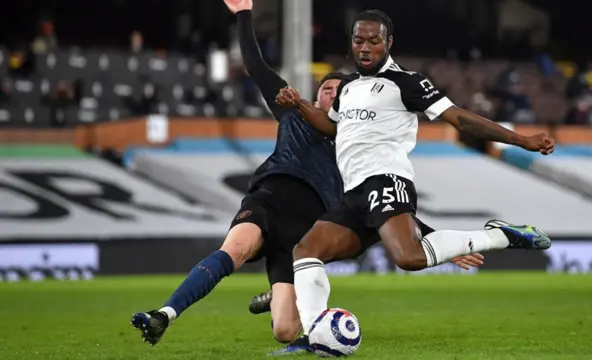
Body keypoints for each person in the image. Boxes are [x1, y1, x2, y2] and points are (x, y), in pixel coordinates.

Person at [130, 0, 485, 353]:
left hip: (304, 237)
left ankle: (282, 298)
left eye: (338, 90)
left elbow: (386, 203)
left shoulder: (359, 147)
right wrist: (242, 14)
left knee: (285, 331)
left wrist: (437, 243)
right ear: (317, 97)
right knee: (234, 249)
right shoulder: (293, 113)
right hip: (269, 203)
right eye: (325, 89)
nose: (331, 93)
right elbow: (255, 66)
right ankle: (164, 314)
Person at [273, 9, 555, 349]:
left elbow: (460, 119)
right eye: (359, 41)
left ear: (388, 43)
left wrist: (521, 140)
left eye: (374, 41)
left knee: (409, 258)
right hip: (354, 193)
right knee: (306, 251)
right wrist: (300, 104)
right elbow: (332, 127)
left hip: (386, 180)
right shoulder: (347, 87)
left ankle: (499, 236)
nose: (365, 48)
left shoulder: (406, 82)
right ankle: (314, 336)